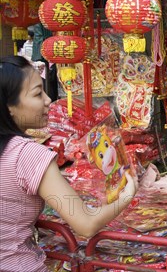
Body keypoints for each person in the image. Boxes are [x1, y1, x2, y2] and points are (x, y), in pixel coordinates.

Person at [0, 56, 138, 271]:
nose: (48, 100)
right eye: (37, 94)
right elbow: (86, 224)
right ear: (9, 107)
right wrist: (127, 194)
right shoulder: (26, 155)